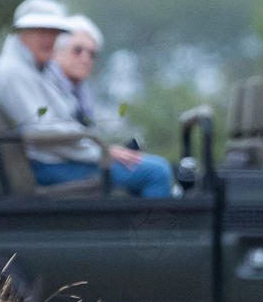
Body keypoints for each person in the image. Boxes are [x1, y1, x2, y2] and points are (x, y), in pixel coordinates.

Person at [0, 0, 173, 198]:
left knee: (148, 167)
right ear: (21, 32)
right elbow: (42, 130)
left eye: (54, 32)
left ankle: (138, 227)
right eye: (41, 31)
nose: (49, 39)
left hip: (54, 159)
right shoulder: (14, 72)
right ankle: (155, 230)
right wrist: (101, 152)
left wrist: (101, 150)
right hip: (50, 166)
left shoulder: (31, 69)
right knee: (156, 172)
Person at [46, 15, 176, 195]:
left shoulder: (78, 90)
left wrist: (108, 151)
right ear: (56, 52)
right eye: (78, 50)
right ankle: (154, 223)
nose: (85, 58)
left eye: (92, 54)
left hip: (75, 157)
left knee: (144, 164)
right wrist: (105, 152)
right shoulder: (49, 85)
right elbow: (57, 136)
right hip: (59, 163)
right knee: (157, 171)